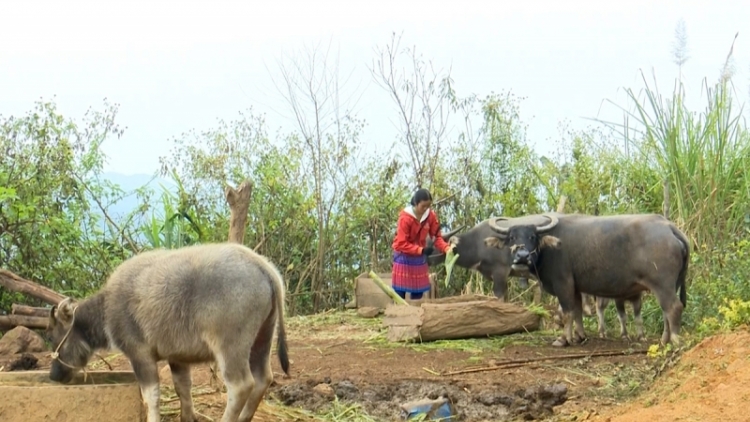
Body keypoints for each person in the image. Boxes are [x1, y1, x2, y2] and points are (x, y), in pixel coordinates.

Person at [391, 188, 454, 300]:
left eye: (428, 206)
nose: (425, 209)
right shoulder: (405, 218)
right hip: (403, 256)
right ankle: (400, 312)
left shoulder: (430, 216)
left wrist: (447, 248)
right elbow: (401, 243)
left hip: (418, 258)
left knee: (418, 291)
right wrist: (421, 250)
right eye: (423, 206)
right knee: (400, 291)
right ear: (416, 203)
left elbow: (437, 236)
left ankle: (415, 313)